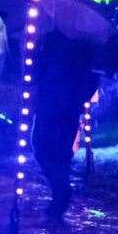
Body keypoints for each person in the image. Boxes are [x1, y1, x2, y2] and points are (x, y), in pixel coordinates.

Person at [31, 30, 102, 222]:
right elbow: (91, 85)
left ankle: (60, 194)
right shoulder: (82, 56)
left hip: (50, 111)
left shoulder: (52, 48)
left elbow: (36, 77)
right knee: (60, 155)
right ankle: (60, 196)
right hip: (68, 114)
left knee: (43, 151)